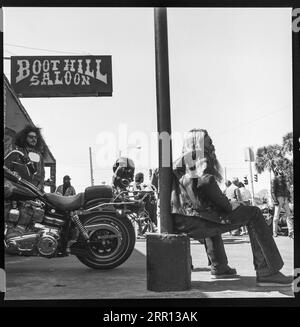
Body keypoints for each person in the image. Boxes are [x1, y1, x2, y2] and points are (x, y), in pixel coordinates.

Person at [171, 128, 292, 285]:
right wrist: (228, 205)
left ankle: (219, 266)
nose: (212, 143)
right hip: (195, 219)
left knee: (212, 218)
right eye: (208, 140)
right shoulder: (200, 157)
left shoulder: (180, 162)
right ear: (198, 142)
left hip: (181, 219)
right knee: (254, 213)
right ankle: (267, 271)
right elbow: (206, 182)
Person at [4, 125, 45, 191]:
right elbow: (6, 169)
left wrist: (41, 186)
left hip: (35, 192)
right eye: (31, 137)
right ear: (24, 137)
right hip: (19, 190)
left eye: (36, 137)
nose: (34, 139)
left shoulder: (39, 155)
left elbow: (42, 174)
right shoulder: (17, 152)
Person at [271, 168, 294, 239]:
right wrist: (275, 200)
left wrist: (289, 197)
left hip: (285, 198)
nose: (282, 171)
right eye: (280, 170)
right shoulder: (274, 180)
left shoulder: (284, 180)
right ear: (277, 171)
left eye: (282, 170)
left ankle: (291, 232)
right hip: (279, 198)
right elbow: (272, 191)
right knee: (276, 217)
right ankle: (274, 232)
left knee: (289, 215)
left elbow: (287, 190)